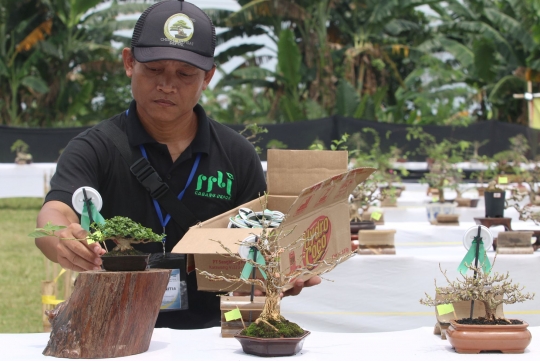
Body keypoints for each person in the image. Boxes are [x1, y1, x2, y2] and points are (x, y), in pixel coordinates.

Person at [35, 0, 320, 330]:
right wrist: (63, 241)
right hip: (113, 327)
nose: (167, 85)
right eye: (154, 69)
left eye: (185, 74)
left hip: (215, 331)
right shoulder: (95, 148)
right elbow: (55, 212)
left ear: (208, 77)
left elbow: (260, 238)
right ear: (129, 63)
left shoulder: (236, 154)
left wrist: (286, 269)